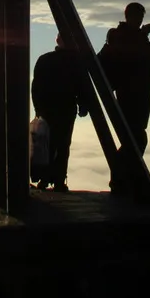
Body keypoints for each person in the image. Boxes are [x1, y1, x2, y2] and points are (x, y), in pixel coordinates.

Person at [97, 2, 150, 153]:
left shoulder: (139, 38)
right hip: (126, 92)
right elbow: (129, 53)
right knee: (135, 137)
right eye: (137, 17)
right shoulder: (117, 35)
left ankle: (123, 173)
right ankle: (121, 173)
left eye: (141, 18)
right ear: (128, 17)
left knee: (137, 135)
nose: (139, 21)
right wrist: (142, 35)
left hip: (142, 91)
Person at [31, 33, 88, 191]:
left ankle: (45, 178)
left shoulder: (45, 59)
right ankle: (58, 180)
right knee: (62, 144)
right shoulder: (76, 62)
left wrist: (38, 109)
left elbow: (36, 87)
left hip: (49, 108)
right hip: (66, 107)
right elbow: (82, 86)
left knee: (47, 144)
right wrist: (83, 105)